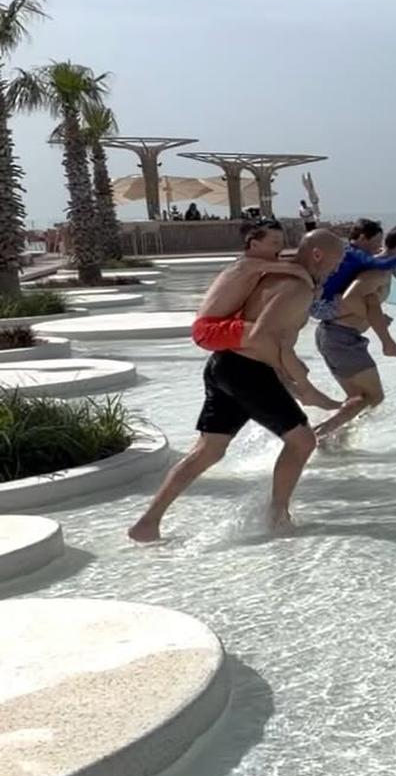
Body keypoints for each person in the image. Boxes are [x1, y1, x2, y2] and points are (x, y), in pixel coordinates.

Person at [128, 229, 347, 543]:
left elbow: (272, 338)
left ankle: (147, 523)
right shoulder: (294, 287)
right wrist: (300, 384)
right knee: (303, 442)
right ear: (318, 255)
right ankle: (278, 517)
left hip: (224, 365)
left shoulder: (282, 279)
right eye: (337, 260)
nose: (338, 268)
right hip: (247, 371)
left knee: (209, 450)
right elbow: (261, 337)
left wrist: (294, 379)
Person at [313, 224, 396, 439]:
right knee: (372, 397)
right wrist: (373, 319)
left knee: (359, 397)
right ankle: (318, 436)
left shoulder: (380, 267)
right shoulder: (378, 272)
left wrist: (376, 316)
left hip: (336, 336)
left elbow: (368, 298)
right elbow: (350, 299)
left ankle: (334, 438)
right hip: (341, 338)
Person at [191, 219, 312, 354]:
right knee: (269, 337)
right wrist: (312, 286)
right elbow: (295, 269)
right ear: (254, 244)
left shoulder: (254, 264)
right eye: (275, 243)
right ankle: (292, 373)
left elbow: (290, 262)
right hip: (209, 330)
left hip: (221, 324)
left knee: (277, 332)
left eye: (282, 243)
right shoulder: (246, 265)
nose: (281, 248)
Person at [310, 218, 396, 322]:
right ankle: (380, 326)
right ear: (362, 238)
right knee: (378, 280)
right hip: (323, 308)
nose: (379, 246)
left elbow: (374, 260)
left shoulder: (348, 251)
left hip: (317, 303)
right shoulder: (355, 254)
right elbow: (383, 265)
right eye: (377, 241)